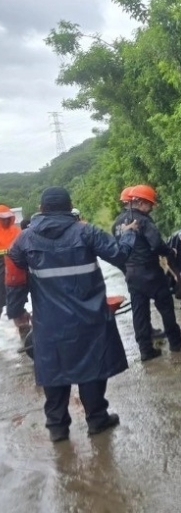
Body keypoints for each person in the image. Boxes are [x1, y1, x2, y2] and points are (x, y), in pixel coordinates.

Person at [4, 187, 139, 442]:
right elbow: (120, 253)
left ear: (41, 209)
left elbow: (14, 279)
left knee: (53, 371)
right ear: (69, 207)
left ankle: (57, 428)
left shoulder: (24, 240)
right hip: (89, 319)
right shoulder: (86, 231)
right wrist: (128, 234)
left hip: (49, 323)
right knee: (92, 368)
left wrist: (16, 310)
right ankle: (97, 419)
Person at [113, 184, 181, 361]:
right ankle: (175, 342)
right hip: (150, 272)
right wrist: (170, 252)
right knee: (166, 307)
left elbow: (117, 252)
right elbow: (156, 244)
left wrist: (127, 270)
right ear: (140, 203)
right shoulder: (144, 220)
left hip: (132, 274)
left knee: (139, 313)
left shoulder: (117, 223)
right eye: (149, 204)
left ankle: (146, 351)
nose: (150, 208)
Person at [0, 205, 21, 328]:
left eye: (8, 218)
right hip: (1, 267)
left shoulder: (16, 231)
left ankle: (25, 336)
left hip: (16, 270)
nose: (6, 220)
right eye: (3, 218)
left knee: (17, 306)